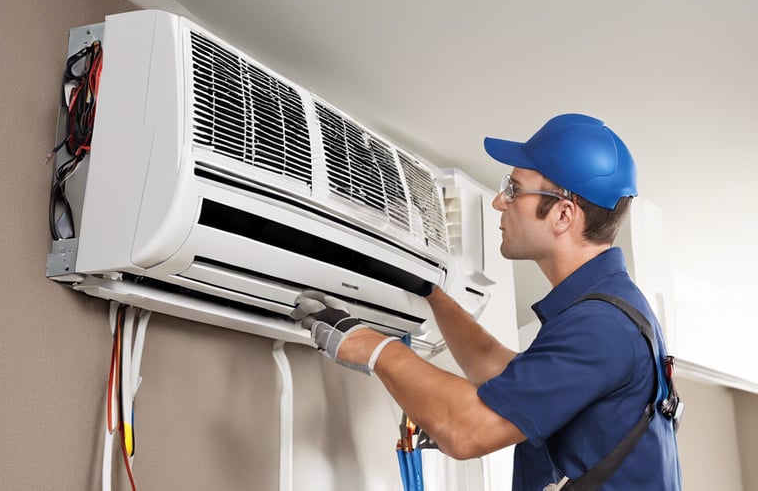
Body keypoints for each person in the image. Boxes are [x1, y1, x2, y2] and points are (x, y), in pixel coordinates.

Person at [292, 113, 682, 490]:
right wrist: (432, 293)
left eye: (515, 189)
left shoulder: (601, 325)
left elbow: (467, 430)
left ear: (563, 214)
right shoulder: (607, 311)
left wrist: (372, 347)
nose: (500, 201)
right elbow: (503, 373)